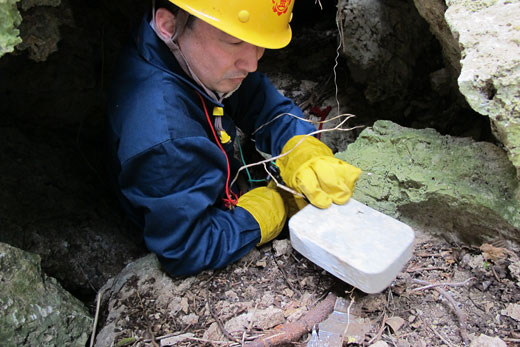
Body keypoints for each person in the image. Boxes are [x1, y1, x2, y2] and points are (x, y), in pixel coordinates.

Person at [106, 0, 362, 276]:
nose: (252, 63)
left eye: (257, 43)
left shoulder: (178, 54)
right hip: (175, 206)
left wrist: (302, 149)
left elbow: (259, 102)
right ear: (168, 25)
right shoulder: (165, 138)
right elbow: (188, 247)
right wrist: (270, 209)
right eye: (234, 41)